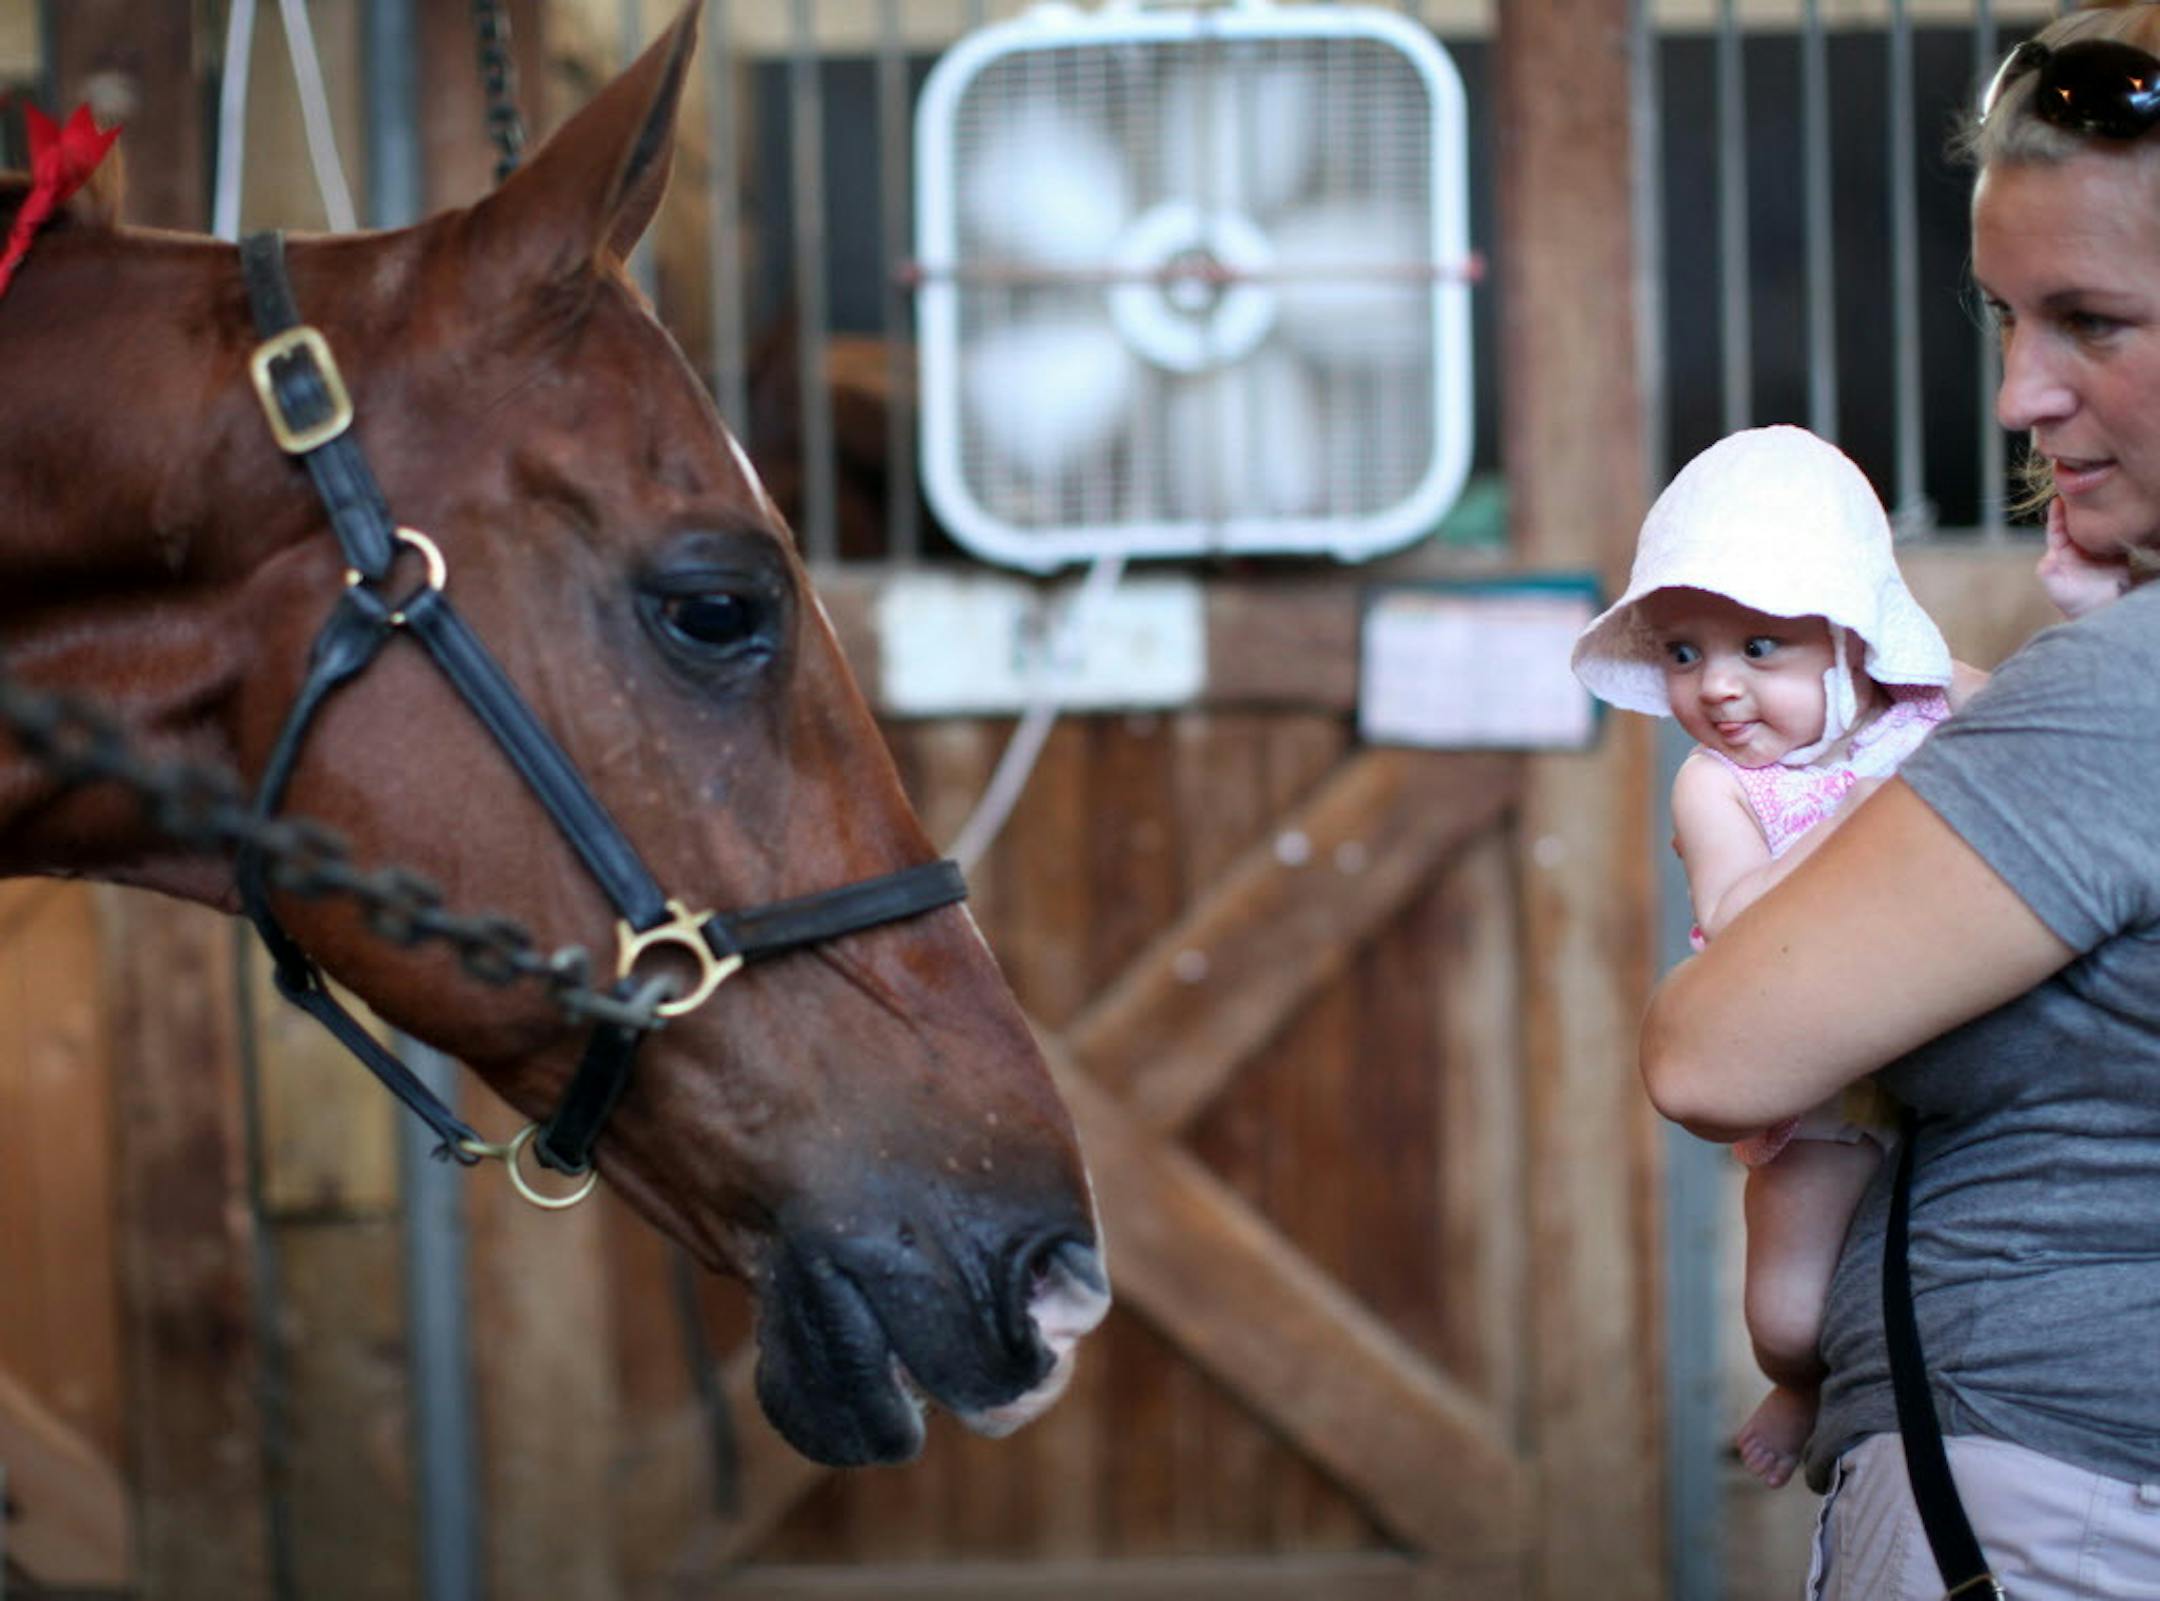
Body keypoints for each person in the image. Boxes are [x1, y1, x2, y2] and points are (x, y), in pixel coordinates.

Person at [1641, 7, 2160, 1594]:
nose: (2019, 394)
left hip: (2040, 1501)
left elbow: (1718, 1046)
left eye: (2092, 322)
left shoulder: (2120, 705)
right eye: (2008, 316)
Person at [1572, 424, 1982, 1491]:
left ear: (1852, 643)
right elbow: (1739, 914)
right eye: (1682, 651)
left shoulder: (1933, 711)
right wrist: (1849, 817)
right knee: (1789, 1309)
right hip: (1817, 1068)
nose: (1717, 687)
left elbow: (2039, 732)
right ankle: (1799, 1384)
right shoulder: (1715, 786)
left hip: (1959, 1044)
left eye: (1760, 648)